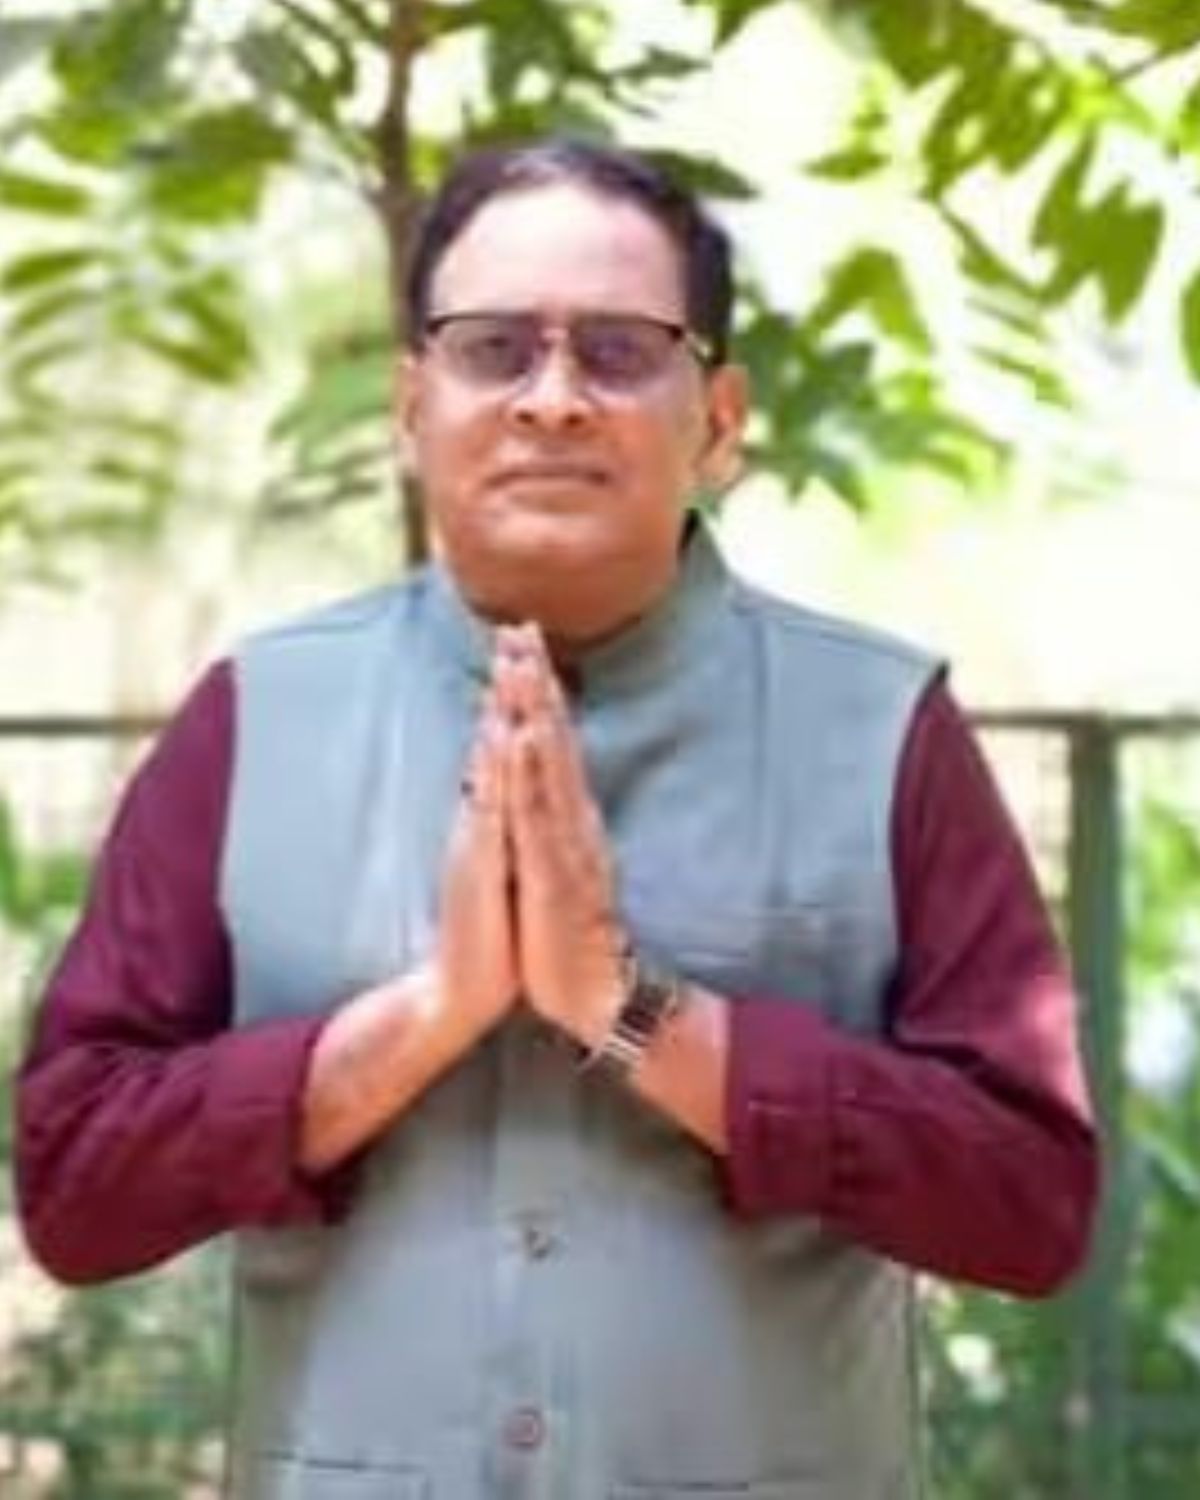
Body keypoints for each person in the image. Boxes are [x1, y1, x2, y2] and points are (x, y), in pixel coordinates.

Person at [16, 137, 1098, 1500]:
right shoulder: (256, 719)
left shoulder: (880, 729)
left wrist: (634, 1014)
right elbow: (75, 1186)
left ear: (719, 419)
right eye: (493, 350)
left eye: (620, 351)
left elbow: (1029, 1203)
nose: (553, 399)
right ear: (411, 406)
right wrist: (427, 1020)